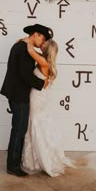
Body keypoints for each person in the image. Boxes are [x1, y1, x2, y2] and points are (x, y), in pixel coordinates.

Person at [0, 24, 53, 177]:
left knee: (18, 128)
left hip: (15, 92)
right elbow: (25, 75)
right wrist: (41, 83)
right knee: (19, 129)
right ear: (35, 34)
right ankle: (13, 166)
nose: (42, 43)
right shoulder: (23, 49)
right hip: (19, 94)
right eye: (42, 39)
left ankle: (14, 161)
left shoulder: (20, 45)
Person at [21, 38, 75, 177]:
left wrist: (27, 40)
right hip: (40, 97)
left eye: (44, 44)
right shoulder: (47, 63)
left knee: (34, 123)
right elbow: (36, 52)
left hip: (36, 97)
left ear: (47, 49)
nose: (42, 44)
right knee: (36, 123)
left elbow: (30, 50)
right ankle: (35, 157)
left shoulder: (43, 63)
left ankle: (38, 159)